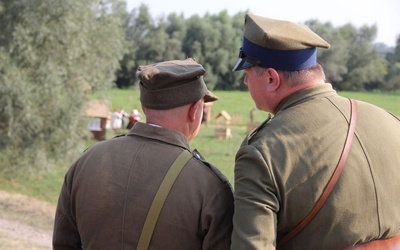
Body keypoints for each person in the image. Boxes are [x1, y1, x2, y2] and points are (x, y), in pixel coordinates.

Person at [231, 13, 400, 250]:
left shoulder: (263, 153)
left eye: (247, 74)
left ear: (271, 78)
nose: (246, 83)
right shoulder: (393, 122)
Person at [53, 58, 234, 249]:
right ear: (195, 110)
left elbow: (63, 244)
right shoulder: (209, 187)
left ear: (144, 107)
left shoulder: (86, 162)